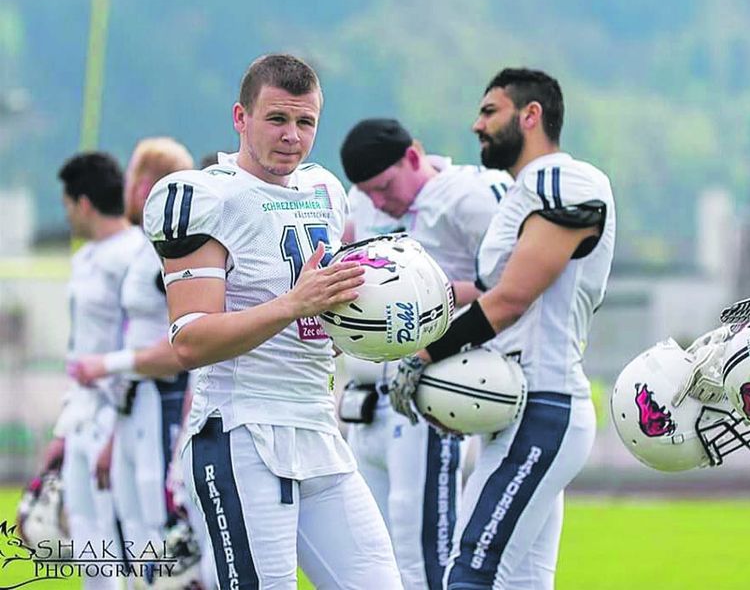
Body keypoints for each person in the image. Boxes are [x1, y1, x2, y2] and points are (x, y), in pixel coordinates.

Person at [142, 54, 401, 589]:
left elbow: (322, 314)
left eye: (305, 122)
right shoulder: (205, 196)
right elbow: (189, 341)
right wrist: (293, 304)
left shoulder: (325, 190)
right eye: (276, 119)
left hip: (318, 428)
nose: (292, 136)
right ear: (241, 118)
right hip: (243, 435)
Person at [391, 68, 615, 589]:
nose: (477, 125)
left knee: (471, 574)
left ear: (530, 115)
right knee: (520, 581)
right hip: (521, 406)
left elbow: (511, 300)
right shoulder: (523, 191)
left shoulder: (563, 181)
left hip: (544, 404)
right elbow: (494, 294)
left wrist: (425, 357)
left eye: (490, 111)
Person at [338, 118, 510, 590]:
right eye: (367, 191)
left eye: (385, 186)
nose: (378, 200)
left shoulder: (466, 198)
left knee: (421, 553)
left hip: (425, 392)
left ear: (413, 157)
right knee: (371, 554)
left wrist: (444, 294)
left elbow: (513, 284)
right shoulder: (361, 204)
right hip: (365, 397)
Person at [70, 137, 211, 586]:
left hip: (163, 395)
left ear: (146, 185)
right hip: (131, 403)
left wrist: (108, 365)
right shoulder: (140, 252)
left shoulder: (175, 253)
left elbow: (181, 349)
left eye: (134, 177)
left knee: (163, 527)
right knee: (134, 536)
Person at [56, 151, 146, 590]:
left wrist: (116, 430)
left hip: (120, 408)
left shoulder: (132, 253)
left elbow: (138, 335)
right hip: (82, 412)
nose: (67, 213)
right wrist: (62, 431)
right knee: (89, 545)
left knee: (130, 539)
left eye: (68, 203)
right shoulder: (84, 258)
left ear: (84, 203)